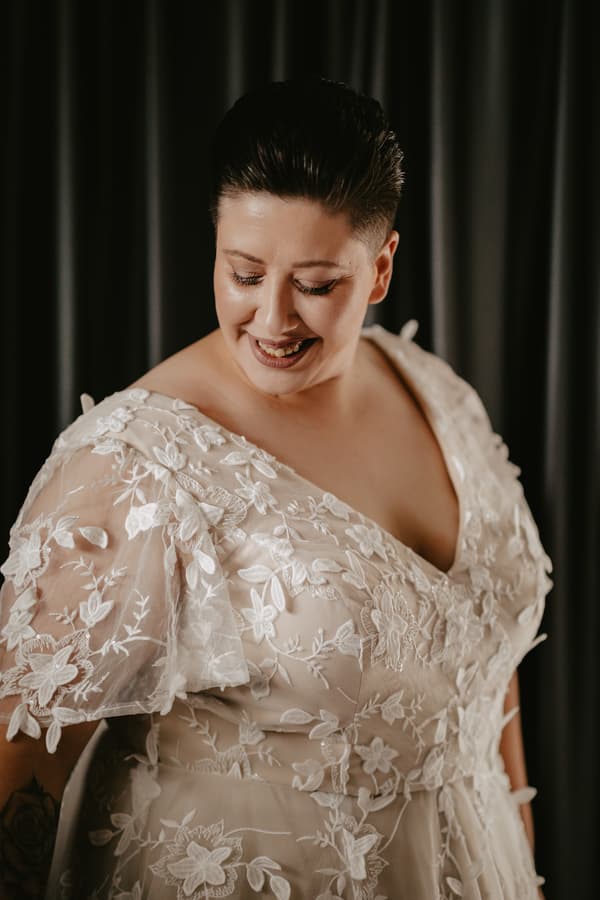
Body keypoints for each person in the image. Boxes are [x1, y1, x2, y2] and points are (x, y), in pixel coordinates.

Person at [0, 74, 553, 900]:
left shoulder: (439, 393)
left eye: (316, 284)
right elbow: (20, 766)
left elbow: (482, 670)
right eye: (245, 273)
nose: (272, 319)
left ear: (381, 269)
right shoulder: (137, 465)